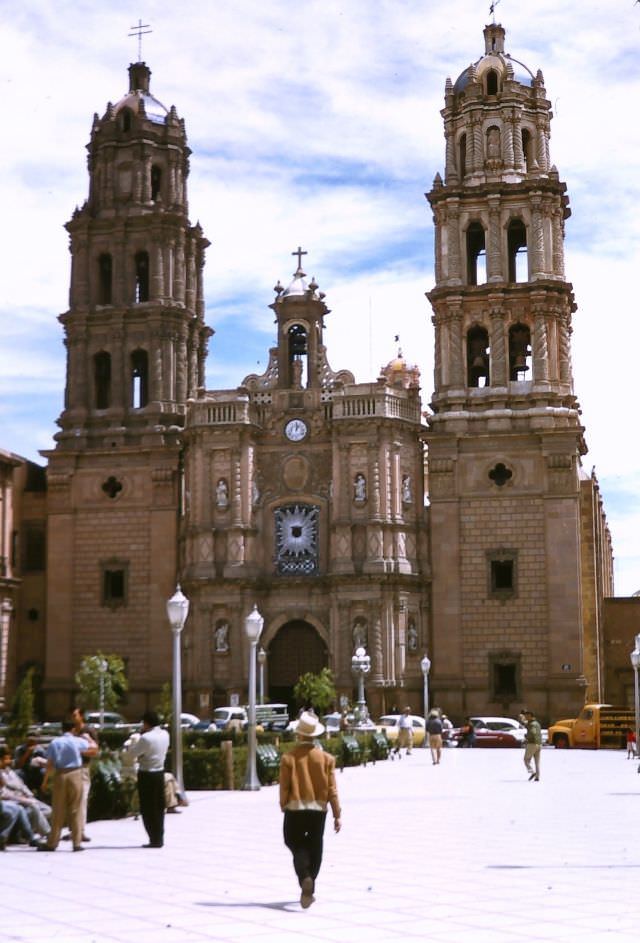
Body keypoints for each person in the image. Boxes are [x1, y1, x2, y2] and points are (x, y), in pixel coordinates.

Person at [279, 711, 341, 909]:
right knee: (315, 844)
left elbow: (284, 786)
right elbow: (332, 789)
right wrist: (337, 814)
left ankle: (305, 877)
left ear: (299, 734)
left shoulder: (289, 758)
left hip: (295, 808)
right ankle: (310, 882)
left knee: (292, 841)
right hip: (318, 809)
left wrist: (283, 804)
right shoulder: (326, 759)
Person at [37, 720, 98, 852]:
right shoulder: (78, 741)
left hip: (61, 774)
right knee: (76, 809)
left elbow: (50, 764)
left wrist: (45, 781)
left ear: (62, 729)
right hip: (76, 774)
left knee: (58, 810)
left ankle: (52, 843)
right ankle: (77, 843)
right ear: (74, 729)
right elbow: (94, 747)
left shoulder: (55, 742)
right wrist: (88, 738)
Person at [123, 710, 170, 848]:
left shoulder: (146, 738)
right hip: (159, 772)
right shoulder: (165, 734)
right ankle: (159, 837)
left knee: (148, 808)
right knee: (159, 807)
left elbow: (132, 754)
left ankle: (153, 838)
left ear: (146, 723)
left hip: (147, 773)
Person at [61, 707, 96, 843]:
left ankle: (80, 831)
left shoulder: (88, 731)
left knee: (82, 800)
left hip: (82, 768)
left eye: (74, 715)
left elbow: (94, 751)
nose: (72, 717)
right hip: (69, 768)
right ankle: (73, 830)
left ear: (81, 716)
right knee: (71, 800)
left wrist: (77, 751)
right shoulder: (70, 731)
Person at [0, 745, 51, 838]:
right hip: (15, 800)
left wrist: (29, 795)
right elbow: (4, 793)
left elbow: (22, 785)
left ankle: (27, 831)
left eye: (9, 758)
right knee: (33, 807)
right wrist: (23, 799)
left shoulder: (10, 771)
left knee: (48, 810)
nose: (9, 761)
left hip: (25, 796)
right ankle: (48, 833)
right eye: (6, 759)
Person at [523, 709, 542, 781]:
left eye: (527, 716)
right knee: (537, 762)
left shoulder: (531, 724)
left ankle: (532, 772)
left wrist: (527, 737)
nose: (526, 717)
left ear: (530, 716)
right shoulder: (537, 723)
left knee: (526, 760)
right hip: (539, 744)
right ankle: (537, 777)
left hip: (532, 744)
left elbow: (532, 732)